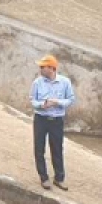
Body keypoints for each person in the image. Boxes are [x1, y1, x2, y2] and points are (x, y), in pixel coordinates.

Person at [30, 55, 75, 191]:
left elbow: (71, 99)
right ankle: (44, 177)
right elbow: (32, 100)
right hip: (41, 119)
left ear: (51, 68)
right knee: (39, 148)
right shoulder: (37, 83)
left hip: (57, 120)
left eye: (43, 67)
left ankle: (59, 178)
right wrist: (42, 105)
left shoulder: (65, 82)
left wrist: (58, 102)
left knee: (57, 149)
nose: (41, 69)